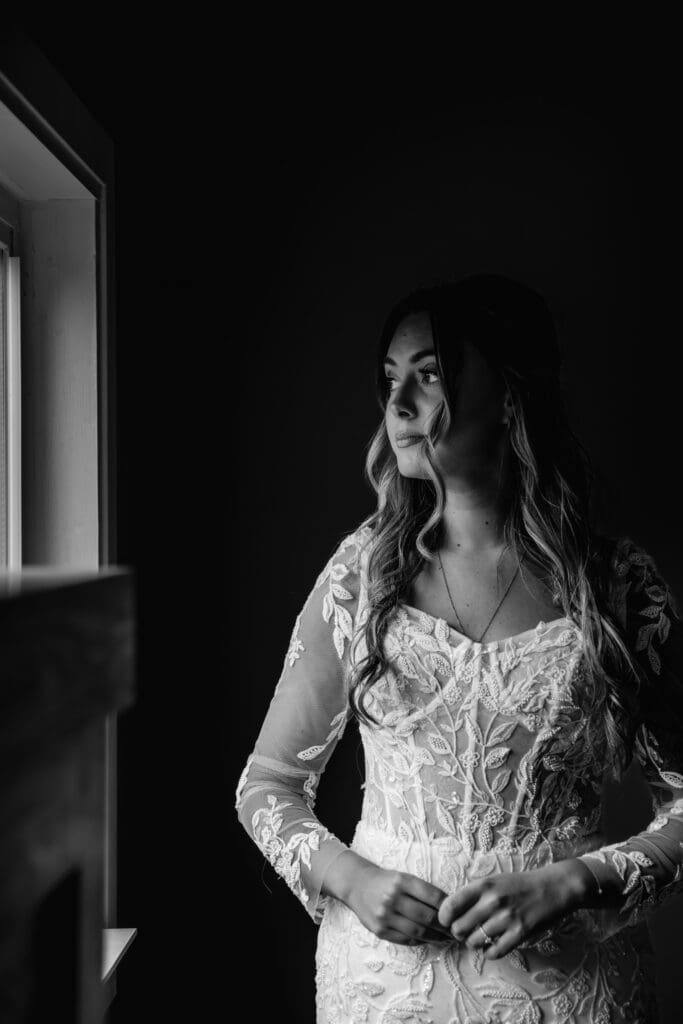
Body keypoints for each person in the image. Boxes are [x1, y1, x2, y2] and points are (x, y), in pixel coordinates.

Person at [235, 273, 683, 1023]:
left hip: (571, 984)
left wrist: (578, 880)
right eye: (389, 381)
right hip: (387, 984)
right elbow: (265, 788)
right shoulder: (363, 576)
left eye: (431, 375)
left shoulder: (613, 586)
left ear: (509, 396)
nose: (399, 405)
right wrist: (351, 878)